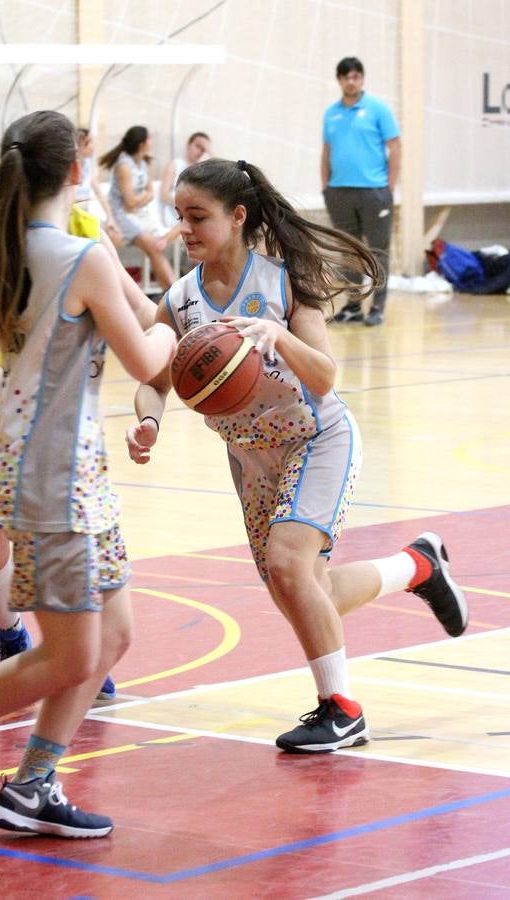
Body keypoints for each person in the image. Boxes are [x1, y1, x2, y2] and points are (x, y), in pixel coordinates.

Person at [0, 109, 177, 837]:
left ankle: (31, 786)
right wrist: (180, 324)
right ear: (76, 170)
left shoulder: (5, 248)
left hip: (65, 467)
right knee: (73, 652)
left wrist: (26, 406)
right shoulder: (84, 258)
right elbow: (148, 359)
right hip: (54, 475)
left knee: (112, 636)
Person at [126, 158, 468, 754]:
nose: (185, 229)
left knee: (289, 565)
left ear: (237, 217)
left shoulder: (283, 281)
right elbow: (154, 377)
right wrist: (149, 420)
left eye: (198, 216)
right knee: (311, 593)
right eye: (180, 217)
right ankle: (418, 567)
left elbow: (328, 375)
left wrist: (277, 335)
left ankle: (342, 709)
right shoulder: (180, 301)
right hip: (251, 460)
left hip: (317, 438)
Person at [321, 57, 401, 327]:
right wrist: (326, 186)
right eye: (346, 77)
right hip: (339, 192)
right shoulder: (331, 113)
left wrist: (388, 186)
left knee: (378, 251)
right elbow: (326, 152)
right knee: (349, 252)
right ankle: (353, 306)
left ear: (362, 79)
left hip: (374, 192)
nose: (351, 81)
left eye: (356, 76)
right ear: (339, 80)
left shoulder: (378, 109)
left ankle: (377, 307)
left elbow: (396, 147)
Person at [99, 125, 176, 291]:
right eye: (149, 138)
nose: (151, 142)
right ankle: (172, 290)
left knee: (158, 244)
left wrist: (140, 199)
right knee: (153, 246)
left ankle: (169, 290)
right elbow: (129, 203)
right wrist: (143, 198)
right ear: (142, 144)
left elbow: (149, 193)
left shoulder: (145, 162)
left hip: (140, 214)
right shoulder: (123, 166)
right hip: (120, 215)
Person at [75, 128, 122, 246]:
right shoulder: (68, 166)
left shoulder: (88, 164)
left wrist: (110, 218)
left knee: (115, 235)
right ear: (80, 145)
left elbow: (99, 193)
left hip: (84, 215)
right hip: (73, 216)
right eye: (90, 142)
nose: (93, 146)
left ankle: (107, 264)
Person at [159, 131, 212, 226]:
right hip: (174, 213)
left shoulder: (202, 171)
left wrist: (210, 152)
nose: (200, 151)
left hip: (194, 215)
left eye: (203, 149)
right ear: (188, 145)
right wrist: (186, 207)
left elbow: (222, 173)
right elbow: (163, 194)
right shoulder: (175, 164)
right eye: (198, 146)